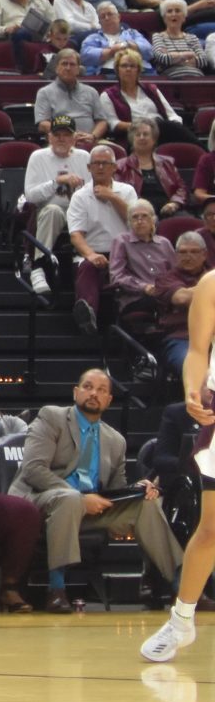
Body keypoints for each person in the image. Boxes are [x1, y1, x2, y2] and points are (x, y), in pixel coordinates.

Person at [11, 367, 183, 613]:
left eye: (102, 390)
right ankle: (56, 590)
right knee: (70, 499)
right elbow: (33, 470)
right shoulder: (52, 417)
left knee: (146, 504)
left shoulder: (115, 440)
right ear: (75, 392)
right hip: (38, 501)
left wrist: (137, 489)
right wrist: (81, 499)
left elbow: (115, 489)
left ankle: (182, 588)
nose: (94, 393)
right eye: (88, 387)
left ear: (109, 400)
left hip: (86, 508)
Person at [140, 275, 215, 661]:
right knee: (211, 529)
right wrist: (192, 389)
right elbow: (198, 350)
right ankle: (182, 620)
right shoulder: (212, 285)